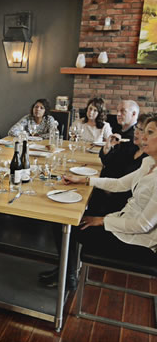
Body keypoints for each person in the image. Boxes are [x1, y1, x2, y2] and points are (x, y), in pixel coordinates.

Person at [61, 113, 157, 285]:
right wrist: (84, 180)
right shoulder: (149, 163)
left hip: (139, 242)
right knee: (71, 220)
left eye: (150, 132)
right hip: (123, 223)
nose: (143, 136)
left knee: (67, 224)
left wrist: (102, 221)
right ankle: (65, 270)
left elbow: (143, 225)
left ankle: (66, 276)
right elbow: (120, 184)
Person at [87, 112, 151, 216]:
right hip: (106, 195)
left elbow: (129, 191)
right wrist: (108, 146)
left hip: (119, 209)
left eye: (141, 130)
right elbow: (109, 162)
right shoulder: (131, 147)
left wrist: (102, 220)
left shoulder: (149, 161)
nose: (136, 132)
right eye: (136, 128)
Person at [99, 99, 140, 179]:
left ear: (134, 114)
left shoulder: (134, 138)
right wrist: (107, 147)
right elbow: (104, 159)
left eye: (123, 111)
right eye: (117, 111)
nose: (118, 114)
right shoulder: (120, 131)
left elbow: (114, 164)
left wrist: (107, 151)